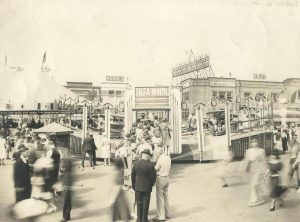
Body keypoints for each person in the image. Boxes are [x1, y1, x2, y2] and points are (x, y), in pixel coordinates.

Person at [131, 149, 157, 222]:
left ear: (142, 155)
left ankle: (139, 219)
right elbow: (153, 178)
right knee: (146, 204)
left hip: (137, 187)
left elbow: (132, 176)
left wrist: (134, 185)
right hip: (147, 188)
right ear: (147, 155)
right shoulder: (150, 165)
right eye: (149, 156)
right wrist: (150, 185)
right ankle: (144, 219)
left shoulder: (136, 164)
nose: (149, 158)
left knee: (139, 203)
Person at [243, 138, 268, 206]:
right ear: (251, 144)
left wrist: (266, 170)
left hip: (259, 169)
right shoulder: (248, 151)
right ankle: (259, 197)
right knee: (255, 184)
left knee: (254, 185)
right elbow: (247, 160)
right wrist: (246, 168)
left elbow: (264, 160)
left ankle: (254, 200)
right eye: (252, 142)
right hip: (252, 169)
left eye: (255, 142)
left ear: (258, 143)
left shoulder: (261, 151)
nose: (254, 144)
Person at [153, 147, 171, 221]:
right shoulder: (168, 157)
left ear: (158, 153)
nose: (155, 154)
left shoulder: (160, 159)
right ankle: (168, 213)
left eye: (155, 153)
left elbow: (156, 168)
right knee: (166, 196)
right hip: (167, 177)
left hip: (161, 178)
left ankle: (161, 216)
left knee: (160, 198)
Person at [60, 149, 73, 222]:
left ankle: (65, 217)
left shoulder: (66, 161)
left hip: (67, 182)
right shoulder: (67, 160)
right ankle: (67, 216)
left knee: (66, 200)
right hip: (67, 181)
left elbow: (63, 169)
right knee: (67, 200)